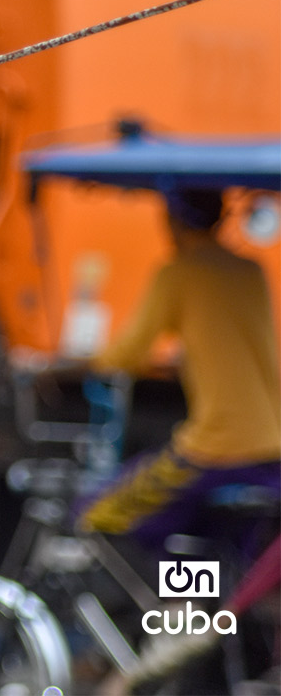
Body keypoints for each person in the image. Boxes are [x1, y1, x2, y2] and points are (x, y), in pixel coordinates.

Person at [76, 188, 281, 551]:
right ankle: (196, 602)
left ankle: (171, 604)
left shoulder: (179, 273)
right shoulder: (250, 271)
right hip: (270, 447)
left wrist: (81, 360)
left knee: (97, 513)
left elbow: (126, 354)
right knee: (208, 535)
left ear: (171, 222)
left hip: (216, 447)